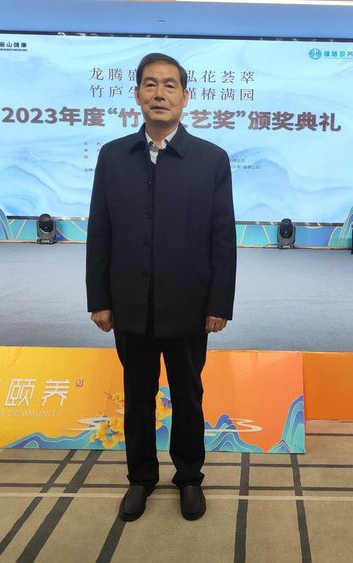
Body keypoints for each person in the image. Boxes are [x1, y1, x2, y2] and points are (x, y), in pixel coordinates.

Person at [86, 52, 236, 522]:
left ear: (185, 97)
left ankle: (189, 477)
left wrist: (219, 302)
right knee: (137, 397)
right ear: (136, 94)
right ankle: (140, 478)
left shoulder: (211, 159)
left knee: (188, 397)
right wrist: (99, 299)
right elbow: (100, 231)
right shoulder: (113, 156)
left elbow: (222, 237)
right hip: (130, 304)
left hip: (189, 303)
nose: (159, 93)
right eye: (150, 84)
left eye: (170, 85)